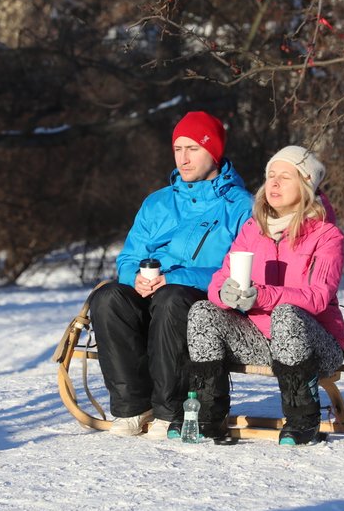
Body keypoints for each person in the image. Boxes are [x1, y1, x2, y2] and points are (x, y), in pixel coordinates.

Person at [90, 111, 253, 439]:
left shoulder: (241, 206)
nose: (183, 157)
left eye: (193, 148)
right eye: (178, 149)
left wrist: (182, 277)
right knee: (107, 297)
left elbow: (240, 272)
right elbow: (129, 257)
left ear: (214, 152)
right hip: (152, 291)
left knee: (172, 297)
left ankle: (171, 410)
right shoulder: (157, 203)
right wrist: (134, 276)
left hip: (201, 299)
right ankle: (133, 407)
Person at [186, 145, 344, 445]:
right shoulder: (252, 228)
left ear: (306, 184)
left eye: (284, 177)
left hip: (317, 346)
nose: (273, 183)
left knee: (287, 314)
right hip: (262, 339)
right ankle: (209, 415)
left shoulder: (327, 236)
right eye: (270, 175)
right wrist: (226, 293)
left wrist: (260, 296)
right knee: (203, 311)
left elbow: (317, 298)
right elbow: (219, 280)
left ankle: (302, 419)